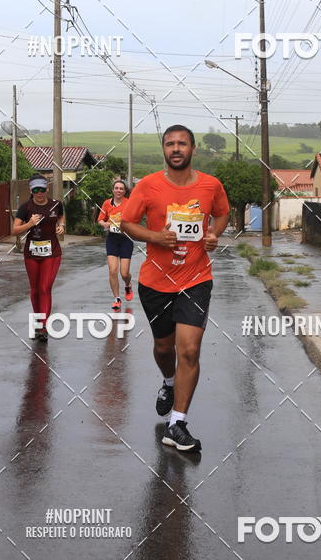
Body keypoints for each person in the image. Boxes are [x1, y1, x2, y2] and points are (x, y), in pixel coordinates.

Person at [121, 125, 229, 452]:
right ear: (164, 150)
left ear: (193, 149)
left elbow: (222, 214)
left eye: (182, 143)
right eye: (170, 144)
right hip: (155, 282)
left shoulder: (211, 185)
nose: (176, 148)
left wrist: (214, 234)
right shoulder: (148, 185)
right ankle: (169, 382)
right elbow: (127, 223)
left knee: (190, 350)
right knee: (164, 349)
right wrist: (155, 237)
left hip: (196, 279)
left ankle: (177, 424)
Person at [13, 174, 65, 341]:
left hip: (52, 253)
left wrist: (61, 225)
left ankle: (43, 326)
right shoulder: (25, 208)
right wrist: (29, 224)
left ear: (47, 188)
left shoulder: (56, 204)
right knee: (35, 289)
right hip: (32, 253)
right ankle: (38, 322)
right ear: (31, 190)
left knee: (44, 287)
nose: (39, 193)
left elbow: (61, 216)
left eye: (42, 189)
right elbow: (14, 230)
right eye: (35, 190)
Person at [97, 178, 134, 311]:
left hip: (126, 239)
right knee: (113, 270)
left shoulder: (129, 203)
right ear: (113, 190)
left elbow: (134, 219)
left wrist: (126, 225)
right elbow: (100, 220)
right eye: (116, 188)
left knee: (124, 273)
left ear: (125, 191)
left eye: (121, 188)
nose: (118, 190)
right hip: (112, 239)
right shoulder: (107, 203)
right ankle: (117, 299)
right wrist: (105, 224)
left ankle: (128, 285)